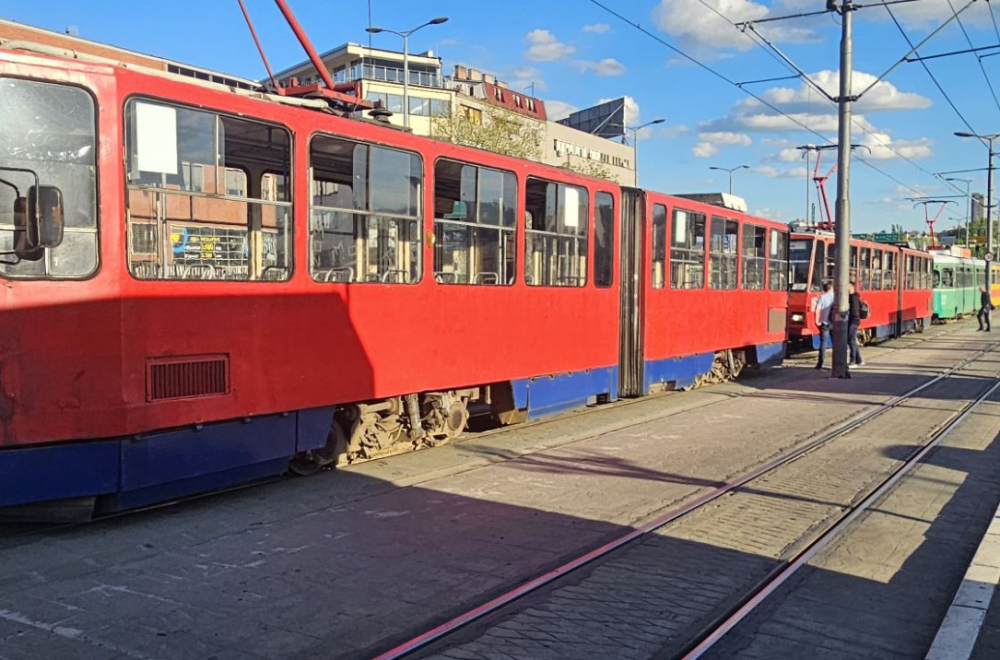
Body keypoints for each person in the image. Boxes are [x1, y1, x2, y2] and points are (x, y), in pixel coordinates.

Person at [815, 282, 834, 369]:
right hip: (835, 323)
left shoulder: (822, 297)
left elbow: (817, 310)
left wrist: (817, 321)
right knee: (836, 343)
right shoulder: (836, 297)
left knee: (823, 344)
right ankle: (837, 363)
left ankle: (820, 364)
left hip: (825, 323)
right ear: (831, 288)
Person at [847, 281, 864, 368]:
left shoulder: (853, 298)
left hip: (853, 320)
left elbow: (854, 311)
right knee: (852, 340)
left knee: (851, 340)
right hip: (855, 320)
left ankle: (853, 360)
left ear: (851, 287)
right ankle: (859, 359)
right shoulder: (855, 297)